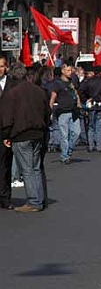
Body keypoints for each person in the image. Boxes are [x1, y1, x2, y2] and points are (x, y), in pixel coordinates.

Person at [0, 63, 50, 212]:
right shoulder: (39, 91)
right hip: (38, 133)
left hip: (21, 134)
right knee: (35, 168)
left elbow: (7, 118)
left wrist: (6, 135)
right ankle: (39, 199)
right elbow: (47, 112)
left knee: (27, 169)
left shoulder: (12, 93)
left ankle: (34, 201)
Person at [48, 62, 82, 164]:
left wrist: (79, 104)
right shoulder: (57, 84)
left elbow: (76, 94)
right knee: (64, 135)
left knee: (77, 132)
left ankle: (69, 150)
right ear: (62, 71)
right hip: (63, 112)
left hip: (74, 111)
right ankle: (65, 156)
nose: (70, 72)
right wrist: (50, 111)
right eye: (68, 70)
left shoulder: (72, 82)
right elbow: (52, 99)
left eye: (71, 70)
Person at [0, 55, 14, 210]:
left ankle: (5, 198)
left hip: (7, 131)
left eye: (2, 66)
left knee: (5, 165)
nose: (0, 69)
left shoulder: (12, 85)